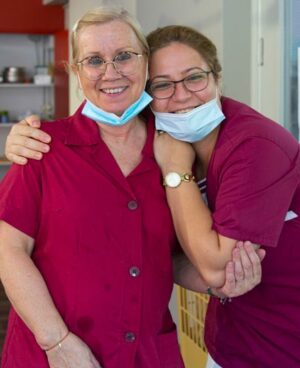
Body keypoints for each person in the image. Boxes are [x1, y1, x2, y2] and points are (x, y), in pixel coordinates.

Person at [0, 8, 263, 368]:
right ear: (77, 72)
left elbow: (166, 255)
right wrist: (56, 342)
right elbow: (8, 249)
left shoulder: (174, 152)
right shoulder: (43, 147)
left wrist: (216, 282)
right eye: (94, 60)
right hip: (54, 356)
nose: (111, 72)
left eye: (124, 56)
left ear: (145, 62)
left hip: (149, 354)